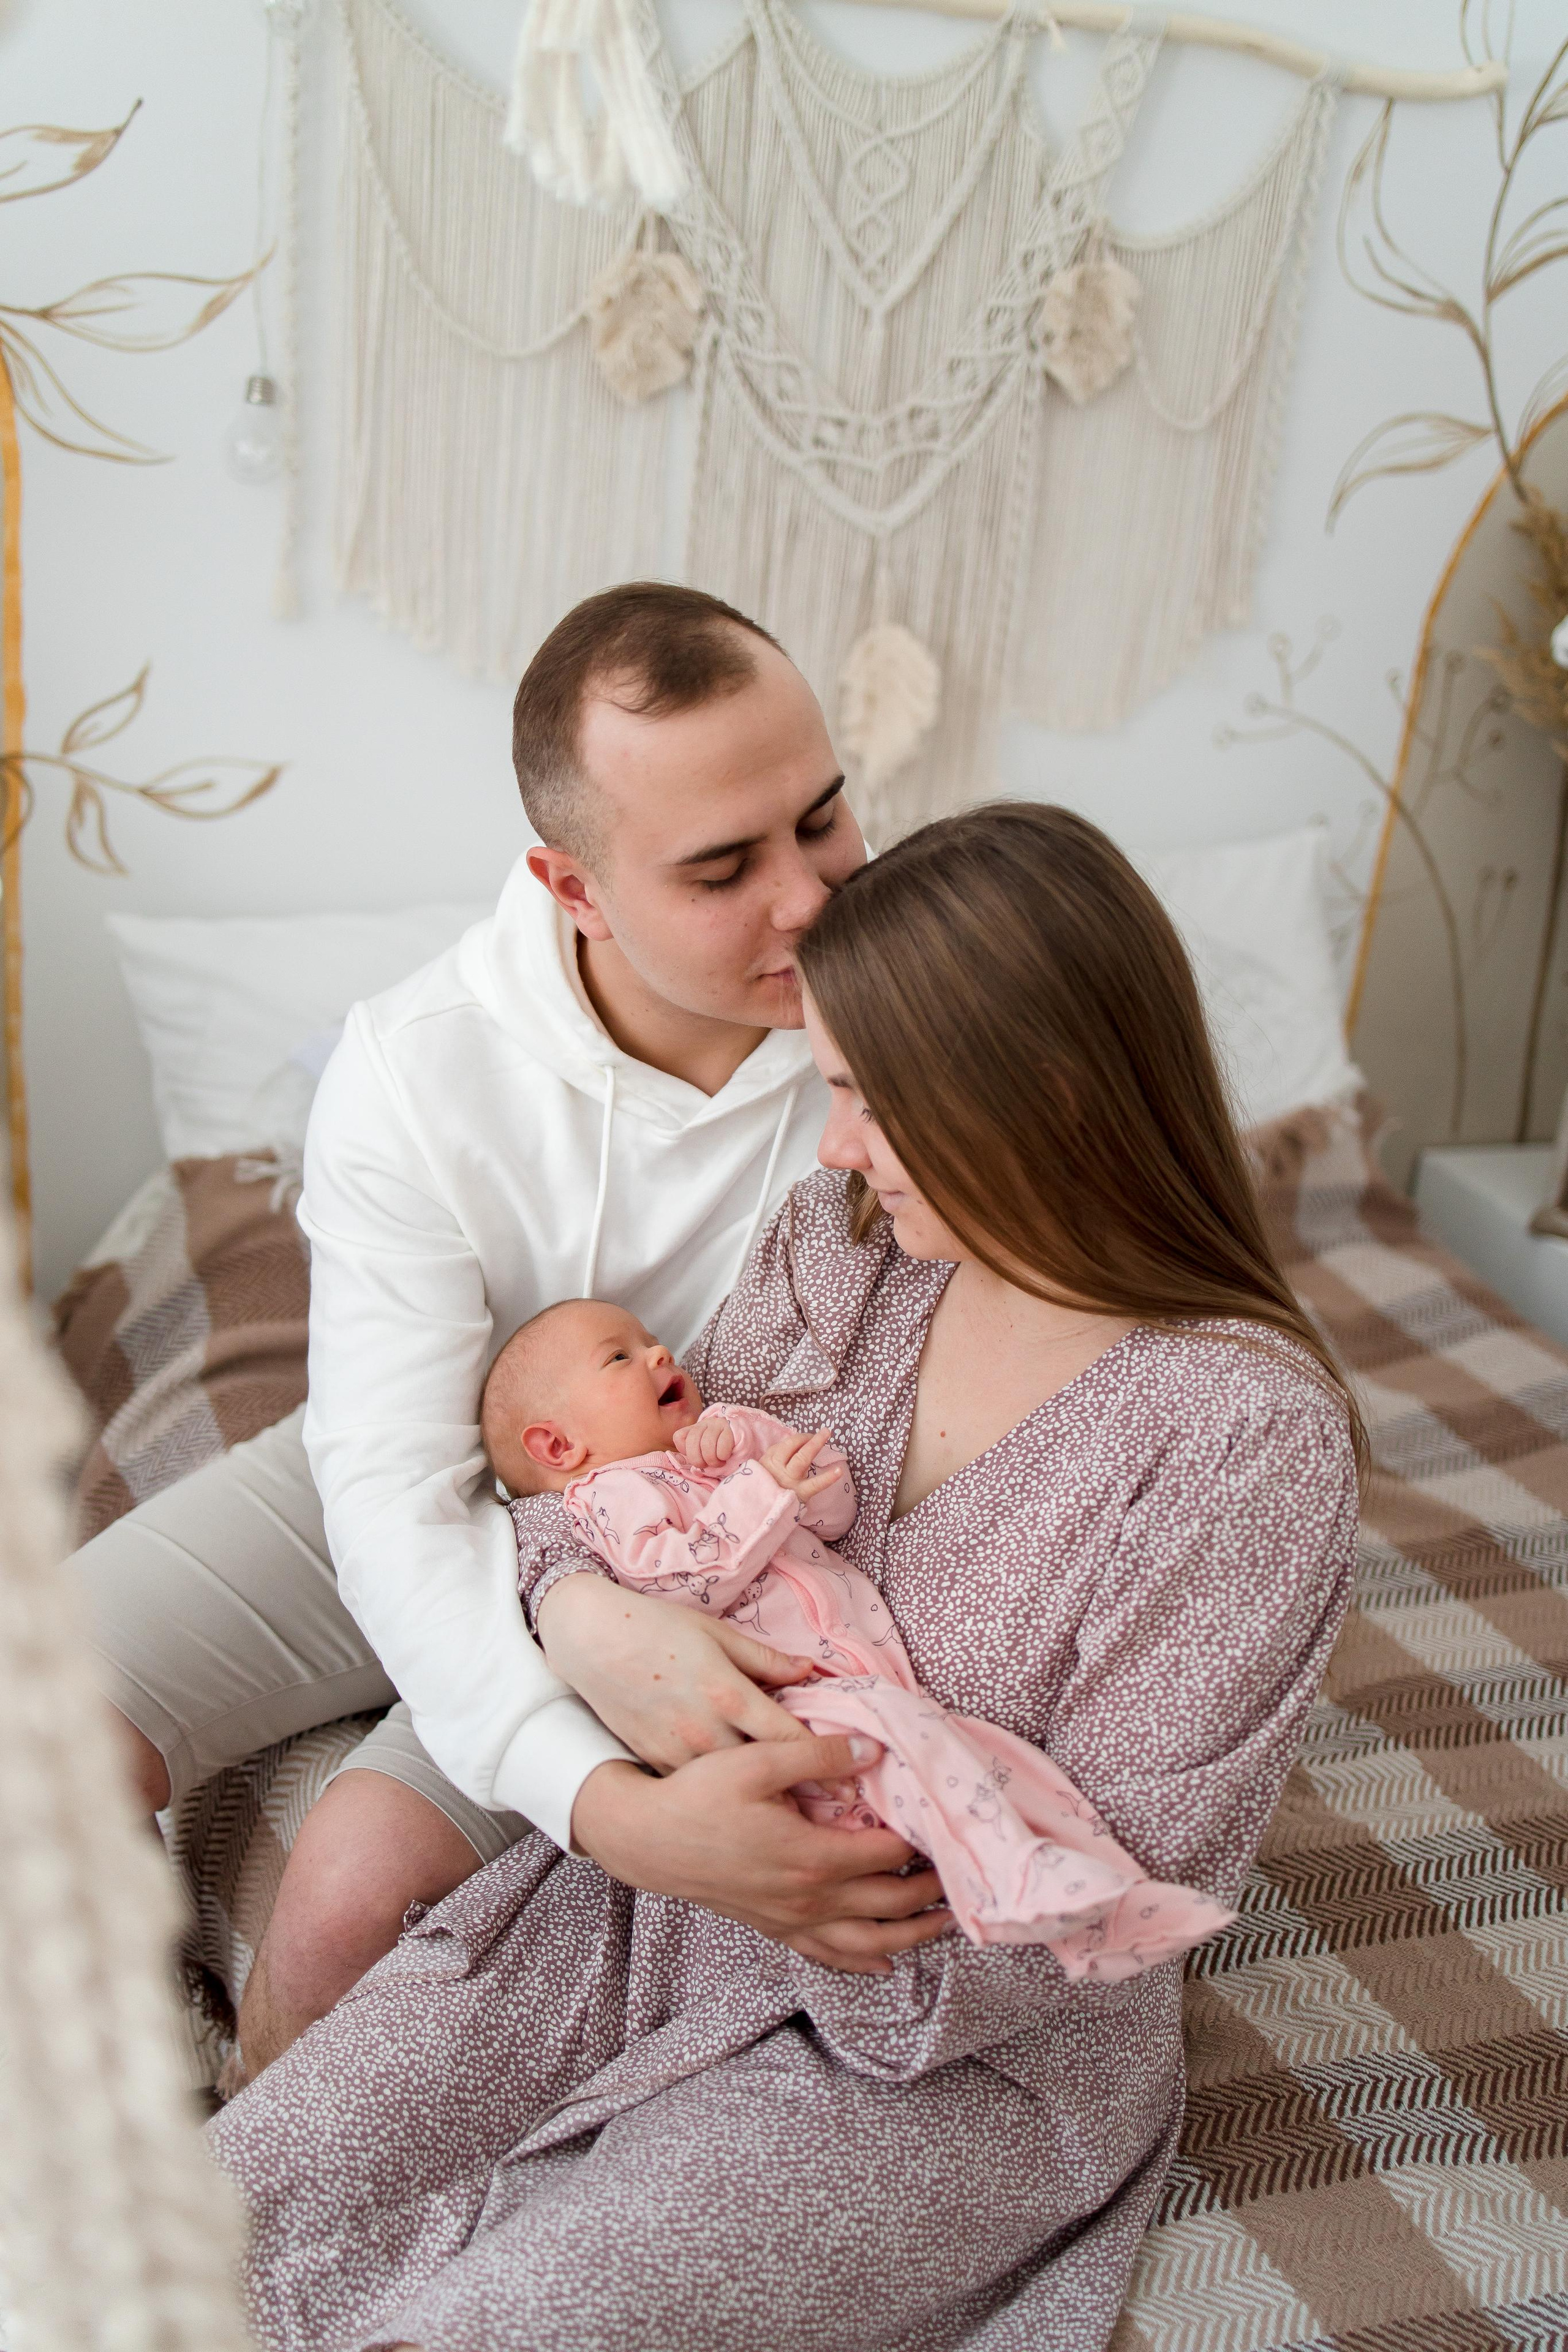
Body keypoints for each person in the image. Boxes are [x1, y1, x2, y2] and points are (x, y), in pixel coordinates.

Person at [210, 801, 1362, 2352]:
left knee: (498, 2321)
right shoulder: (840, 1250)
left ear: (1039, 1090)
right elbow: (586, 1502)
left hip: (943, 2049)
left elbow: (1139, 1860)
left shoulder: (1241, 1438)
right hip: (635, 1911)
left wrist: (799, 1887)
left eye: (868, 1100)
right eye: (829, 1090)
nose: (833, 1147)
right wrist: (588, 1620)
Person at [70, 584, 949, 2080]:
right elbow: (390, 1486)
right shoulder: (414, 1069)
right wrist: (607, 1806)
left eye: (821, 819)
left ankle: (264, 2184)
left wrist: (605, 1618)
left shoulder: (918, 1009)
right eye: (721, 866)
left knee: (339, 1904)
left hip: (705, 1533)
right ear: (573, 887)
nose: (807, 899)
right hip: (444, 1471)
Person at [481, 1298, 1230, 1966]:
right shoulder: (607, 1497)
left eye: (649, 1340)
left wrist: (756, 1445)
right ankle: (1010, 1881)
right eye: (619, 1357)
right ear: (557, 1447)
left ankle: (1109, 1892)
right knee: (922, 1751)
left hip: (865, 1680)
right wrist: (759, 1490)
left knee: (988, 1755)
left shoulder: (711, 1457)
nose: (658, 1353)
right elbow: (677, 1582)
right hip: (784, 1699)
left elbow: (833, 1513)